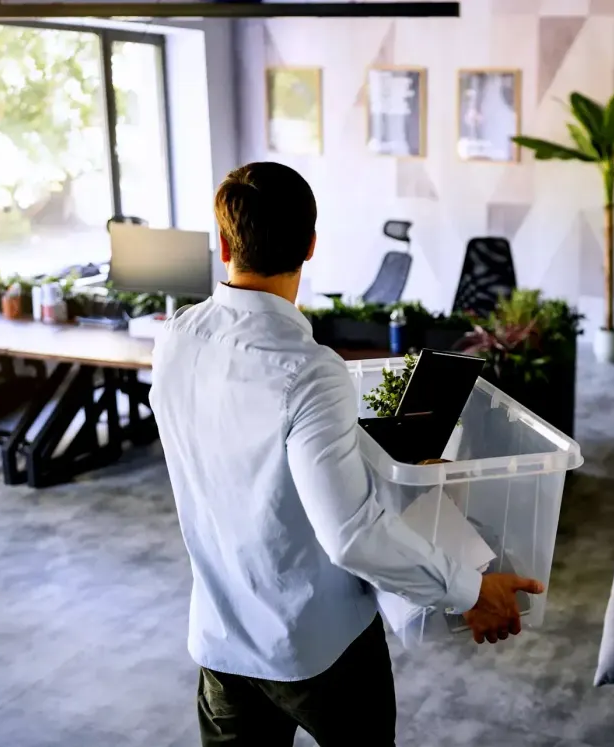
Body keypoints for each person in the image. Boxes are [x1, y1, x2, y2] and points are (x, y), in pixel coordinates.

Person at [149, 162, 543, 746]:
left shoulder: (175, 339)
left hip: (221, 638)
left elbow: (241, 462)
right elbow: (352, 534)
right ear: (311, 244)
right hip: (319, 646)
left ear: (226, 243)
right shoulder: (310, 373)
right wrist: (469, 589)